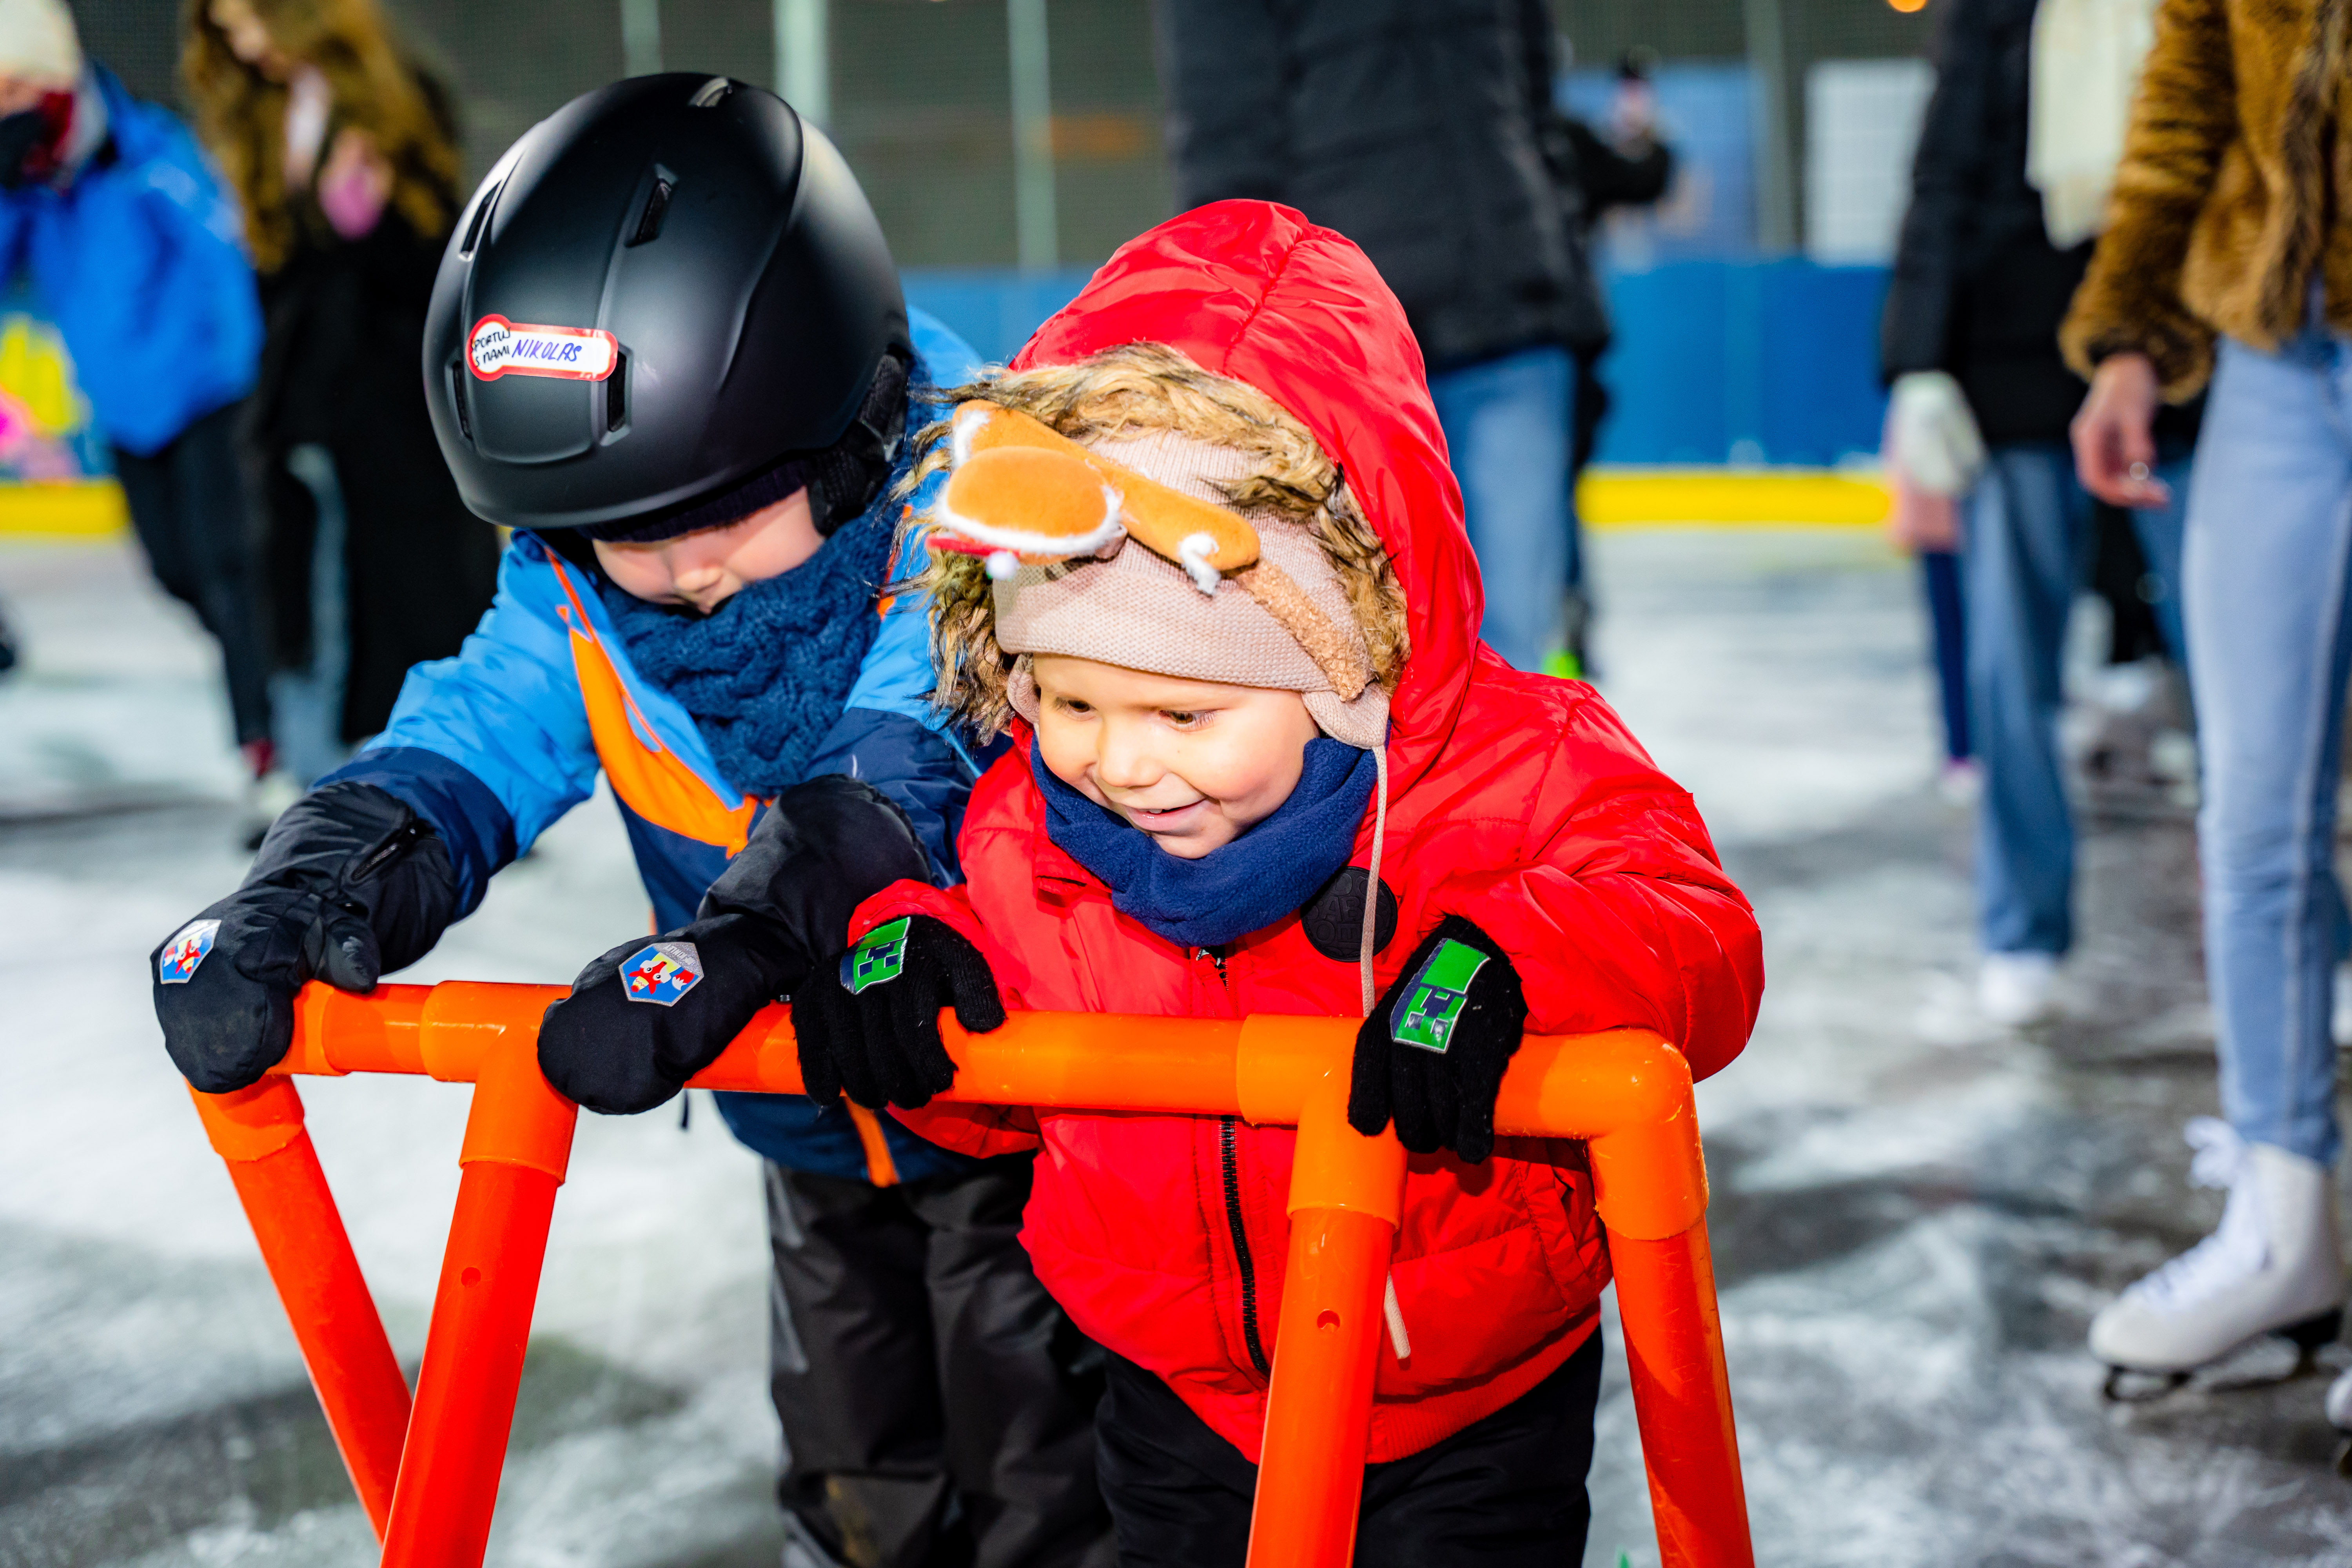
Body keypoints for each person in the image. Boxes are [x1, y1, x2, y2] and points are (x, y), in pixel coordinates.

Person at [149, 77, 1110, 1568]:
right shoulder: (591, 584)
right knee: (859, 1474)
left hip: (1024, 1121)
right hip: (803, 1126)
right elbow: (486, 724)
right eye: (610, 529)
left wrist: (748, 938)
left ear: (839, 416)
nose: (664, 573)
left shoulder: (973, 515)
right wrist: (326, 872)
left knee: (1044, 1475)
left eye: (704, 511)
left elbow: (897, 768)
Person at [768, 201, 1764, 1563]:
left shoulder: (1511, 768)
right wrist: (904, 967)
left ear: (1335, 664)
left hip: (1466, 1408)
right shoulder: (1026, 830)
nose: (1119, 766)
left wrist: (1517, 961)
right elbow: (1001, 1100)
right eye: (1062, 699)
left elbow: (1696, 936)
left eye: (1182, 718)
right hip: (1178, 1405)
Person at [2062, 0, 2352, 1408]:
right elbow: (2190, 76)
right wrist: (2131, 334)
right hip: (2277, 344)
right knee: (2252, 812)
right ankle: (2284, 1226)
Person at [1880, 0, 2193, 1028]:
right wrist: (1918, 361)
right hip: (2015, 363)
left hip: (2182, 363)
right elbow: (1945, 167)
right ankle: (2023, 930)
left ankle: (2307, 940)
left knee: (2244, 678)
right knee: (2012, 674)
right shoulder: (1993, 13)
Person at [1156, 0, 1590, 675]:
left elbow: (1537, 109)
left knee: (1512, 662)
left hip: (1513, 318)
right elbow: (1226, 147)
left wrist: (1561, 269)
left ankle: (1514, 780)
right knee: (1361, 653)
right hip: (1346, 348)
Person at [183, 0, 495, 783]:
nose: (247, 47)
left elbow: (444, 256)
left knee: (415, 592)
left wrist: (371, 222)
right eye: (228, 30)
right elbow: (279, 271)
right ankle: (321, 777)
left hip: (392, 404)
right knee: (301, 591)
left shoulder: (401, 97)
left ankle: (449, 775)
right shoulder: (266, 110)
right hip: (299, 401)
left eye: (252, 21)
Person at [0, 0, 272, 806]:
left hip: (211, 398)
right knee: (176, 572)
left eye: (13, 84)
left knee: (231, 572)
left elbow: (223, 261)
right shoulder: (32, 185)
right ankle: (271, 679)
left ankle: (265, 741)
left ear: (54, 80)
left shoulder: (149, 151)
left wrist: (253, 386)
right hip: (125, 415)